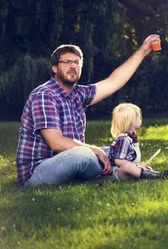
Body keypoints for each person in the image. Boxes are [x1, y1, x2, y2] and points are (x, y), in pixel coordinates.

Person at [16, 34, 160, 186]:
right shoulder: (45, 95)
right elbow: (56, 142)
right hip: (38, 170)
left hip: (71, 159)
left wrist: (144, 50)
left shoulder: (79, 93)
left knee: (125, 152)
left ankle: (124, 169)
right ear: (54, 68)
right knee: (84, 155)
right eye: (67, 62)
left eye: (77, 63)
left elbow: (114, 81)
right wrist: (95, 151)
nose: (73, 66)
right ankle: (117, 173)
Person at [108, 103, 168, 181]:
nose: (141, 119)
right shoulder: (123, 139)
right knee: (128, 167)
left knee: (144, 167)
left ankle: (151, 174)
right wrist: (137, 166)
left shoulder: (131, 138)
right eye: (139, 117)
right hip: (117, 173)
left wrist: (140, 165)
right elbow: (119, 161)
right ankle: (154, 176)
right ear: (132, 121)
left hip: (128, 170)